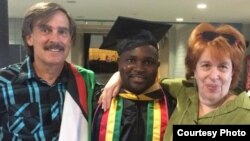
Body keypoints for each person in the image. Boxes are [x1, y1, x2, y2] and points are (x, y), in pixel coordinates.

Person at [100, 23, 250, 141]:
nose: (214, 75)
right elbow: (152, 80)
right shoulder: (184, 93)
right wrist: (119, 75)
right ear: (194, 69)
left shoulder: (245, 115)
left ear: (233, 72)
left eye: (223, 67)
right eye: (206, 65)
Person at [0, 2, 96, 141]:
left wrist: (118, 77)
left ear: (70, 40)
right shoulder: (4, 83)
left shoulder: (85, 84)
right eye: (45, 30)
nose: (55, 39)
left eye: (62, 32)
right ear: (29, 37)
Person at [92, 16, 175, 141]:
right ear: (119, 63)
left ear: (157, 66)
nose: (139, 68)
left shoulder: (173, 104)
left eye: (148, 62)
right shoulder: (97, 102)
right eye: (131, 60)